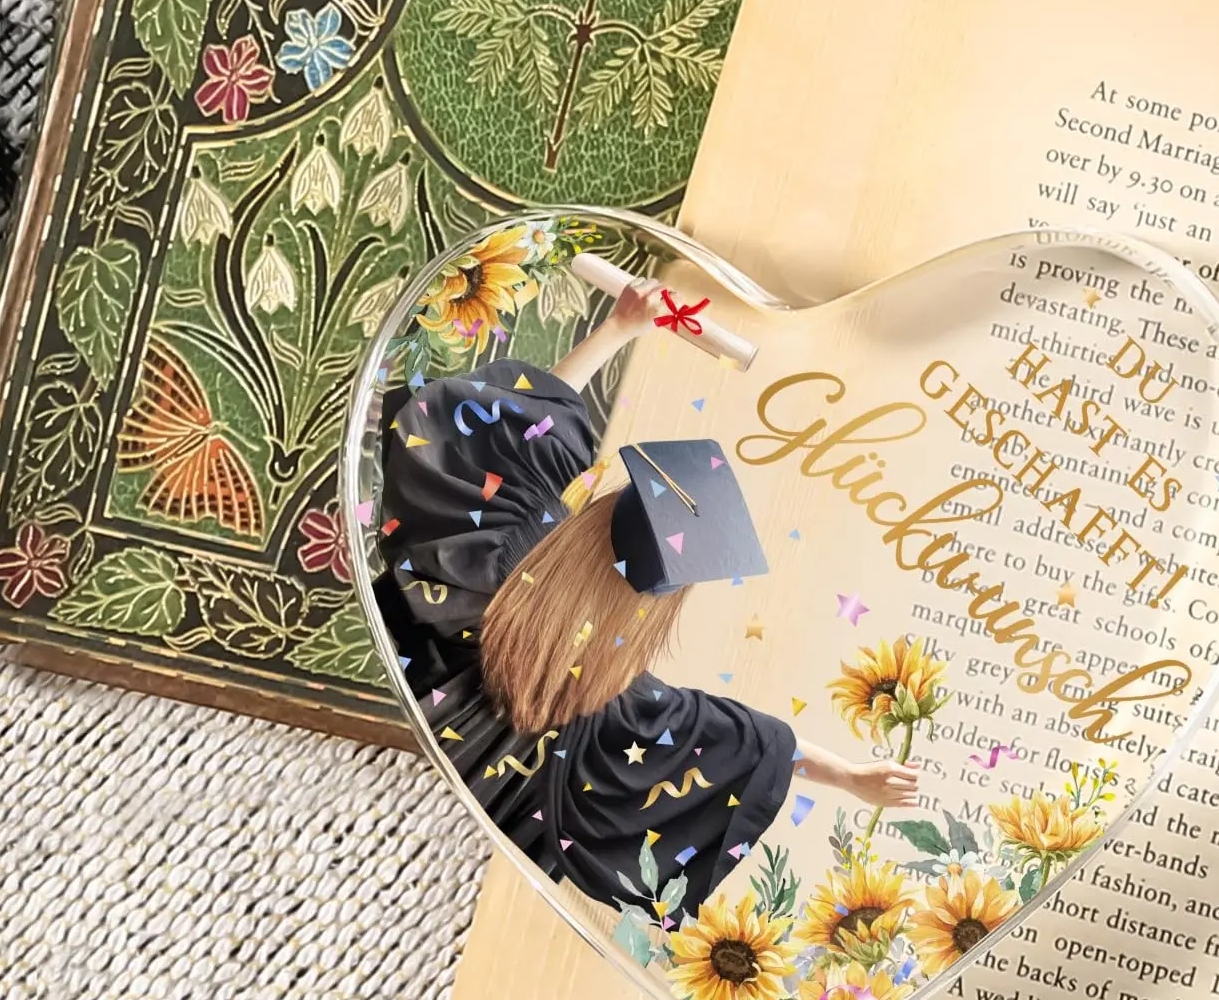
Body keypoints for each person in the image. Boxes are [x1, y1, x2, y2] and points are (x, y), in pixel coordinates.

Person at [373, 279, 919, 920]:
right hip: (429, 797)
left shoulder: (503, 529)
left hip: (387, 670)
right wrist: (850, 778)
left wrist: (618, 328)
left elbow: (519, 424)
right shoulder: (616, 692)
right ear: (660, 602)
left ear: (599, 509)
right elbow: (758, 741)